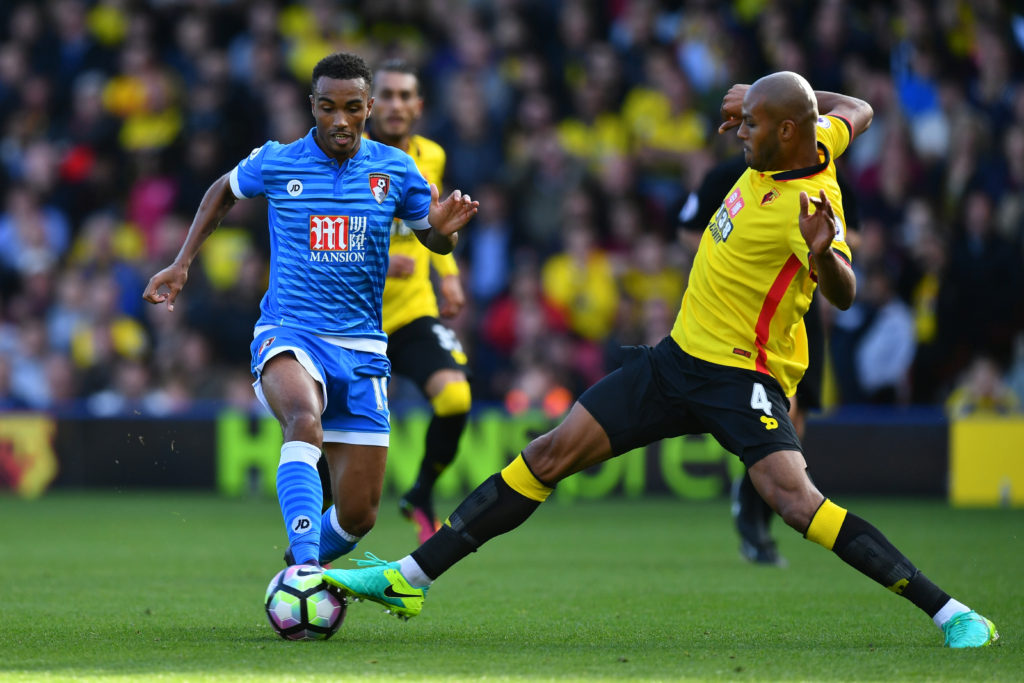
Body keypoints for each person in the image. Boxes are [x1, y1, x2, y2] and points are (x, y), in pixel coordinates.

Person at [322, 71, 998, 648]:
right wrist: (768, 94)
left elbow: (845, 293)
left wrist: (824, 256)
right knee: (550, 452)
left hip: (742, 377)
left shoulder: (808, 204)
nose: (739, 130)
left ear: (787, 133)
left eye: (755, 122)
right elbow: (860, 108)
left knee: (795, 502)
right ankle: (409, 578)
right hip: (675, 362)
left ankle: (950, 611)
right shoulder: (814, 135)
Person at [143, 52, 478, 569]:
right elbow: (222, 192)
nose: (339, 121)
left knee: (359, 516)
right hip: (291, 331)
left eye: (350, 108)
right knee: (304, 419)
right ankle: (303, 572)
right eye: (326, 107)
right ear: (312, 106)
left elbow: (432, 239)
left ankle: (302, 562)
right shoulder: (278, 160)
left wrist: (444, 229)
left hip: (364, 347)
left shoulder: (396, 169)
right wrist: (182, 262)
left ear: (368, 107)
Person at [677, 149, 860, 567]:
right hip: (730, 317)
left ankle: (754, 501)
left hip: (795, 311)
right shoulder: (725, 175)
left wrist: (822, 245)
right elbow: (687, 229)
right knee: (775, 418)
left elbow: (855, 238)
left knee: (797, 417)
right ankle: (754, 514)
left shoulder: (820, 178)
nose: (743, 133)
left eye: (751, 124)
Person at [368, 59, 473, 544]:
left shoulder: (431, 155)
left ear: (418, 105)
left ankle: (422, 492)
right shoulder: (351, 158)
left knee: (456, 397)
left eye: (403, 95)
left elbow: (435, 223)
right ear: (369, 105)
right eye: (385, 95)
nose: (394, 105)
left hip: (411, 310)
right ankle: (313, 546)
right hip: (355, 317)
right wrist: (383, 260)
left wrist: (448, 274)